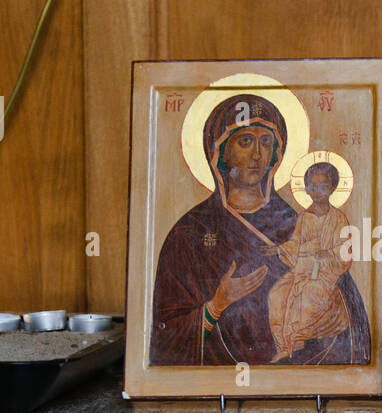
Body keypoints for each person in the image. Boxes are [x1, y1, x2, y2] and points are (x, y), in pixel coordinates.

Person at [149, 94, 370, 366]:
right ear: (221, 152)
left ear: (276, 153)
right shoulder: (189, 234)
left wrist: (338, 314)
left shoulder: (298, 220)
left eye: (265, 142)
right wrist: (216, 306)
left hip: (302, 377)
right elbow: (165, 335)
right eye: (245, 142)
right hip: (219, 382)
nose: (257, 154)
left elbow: (349, 310)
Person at [266, 162, 354, 361]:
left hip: (325, 273)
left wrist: (326, 254)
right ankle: (283, 344)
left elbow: (344, 249)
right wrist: (279, 249)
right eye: (312, 186)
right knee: (277, 294)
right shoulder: (304, 217)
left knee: (309, 295)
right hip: (301, 270)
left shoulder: (338, 218)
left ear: (332, 188)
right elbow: (296, 244)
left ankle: (296, 338)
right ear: (306, 189)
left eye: (323, 186)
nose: (317, 191)